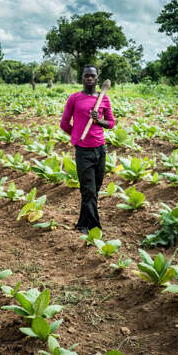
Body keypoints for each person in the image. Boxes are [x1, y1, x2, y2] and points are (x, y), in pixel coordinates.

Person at [59, 65, 115, 234]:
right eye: (86, 76)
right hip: (83, 151)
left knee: (94, 189)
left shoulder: (104, 99)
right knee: (88, 189)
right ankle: (93, 228)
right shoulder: (74, 98)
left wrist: (98, 121)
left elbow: (111, 123)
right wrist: (76, 137)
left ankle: (83, 223)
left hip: (100, 149)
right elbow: (64, 123)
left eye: (92, 76)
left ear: (97, 79)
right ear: (82, 78)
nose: (89, 78)